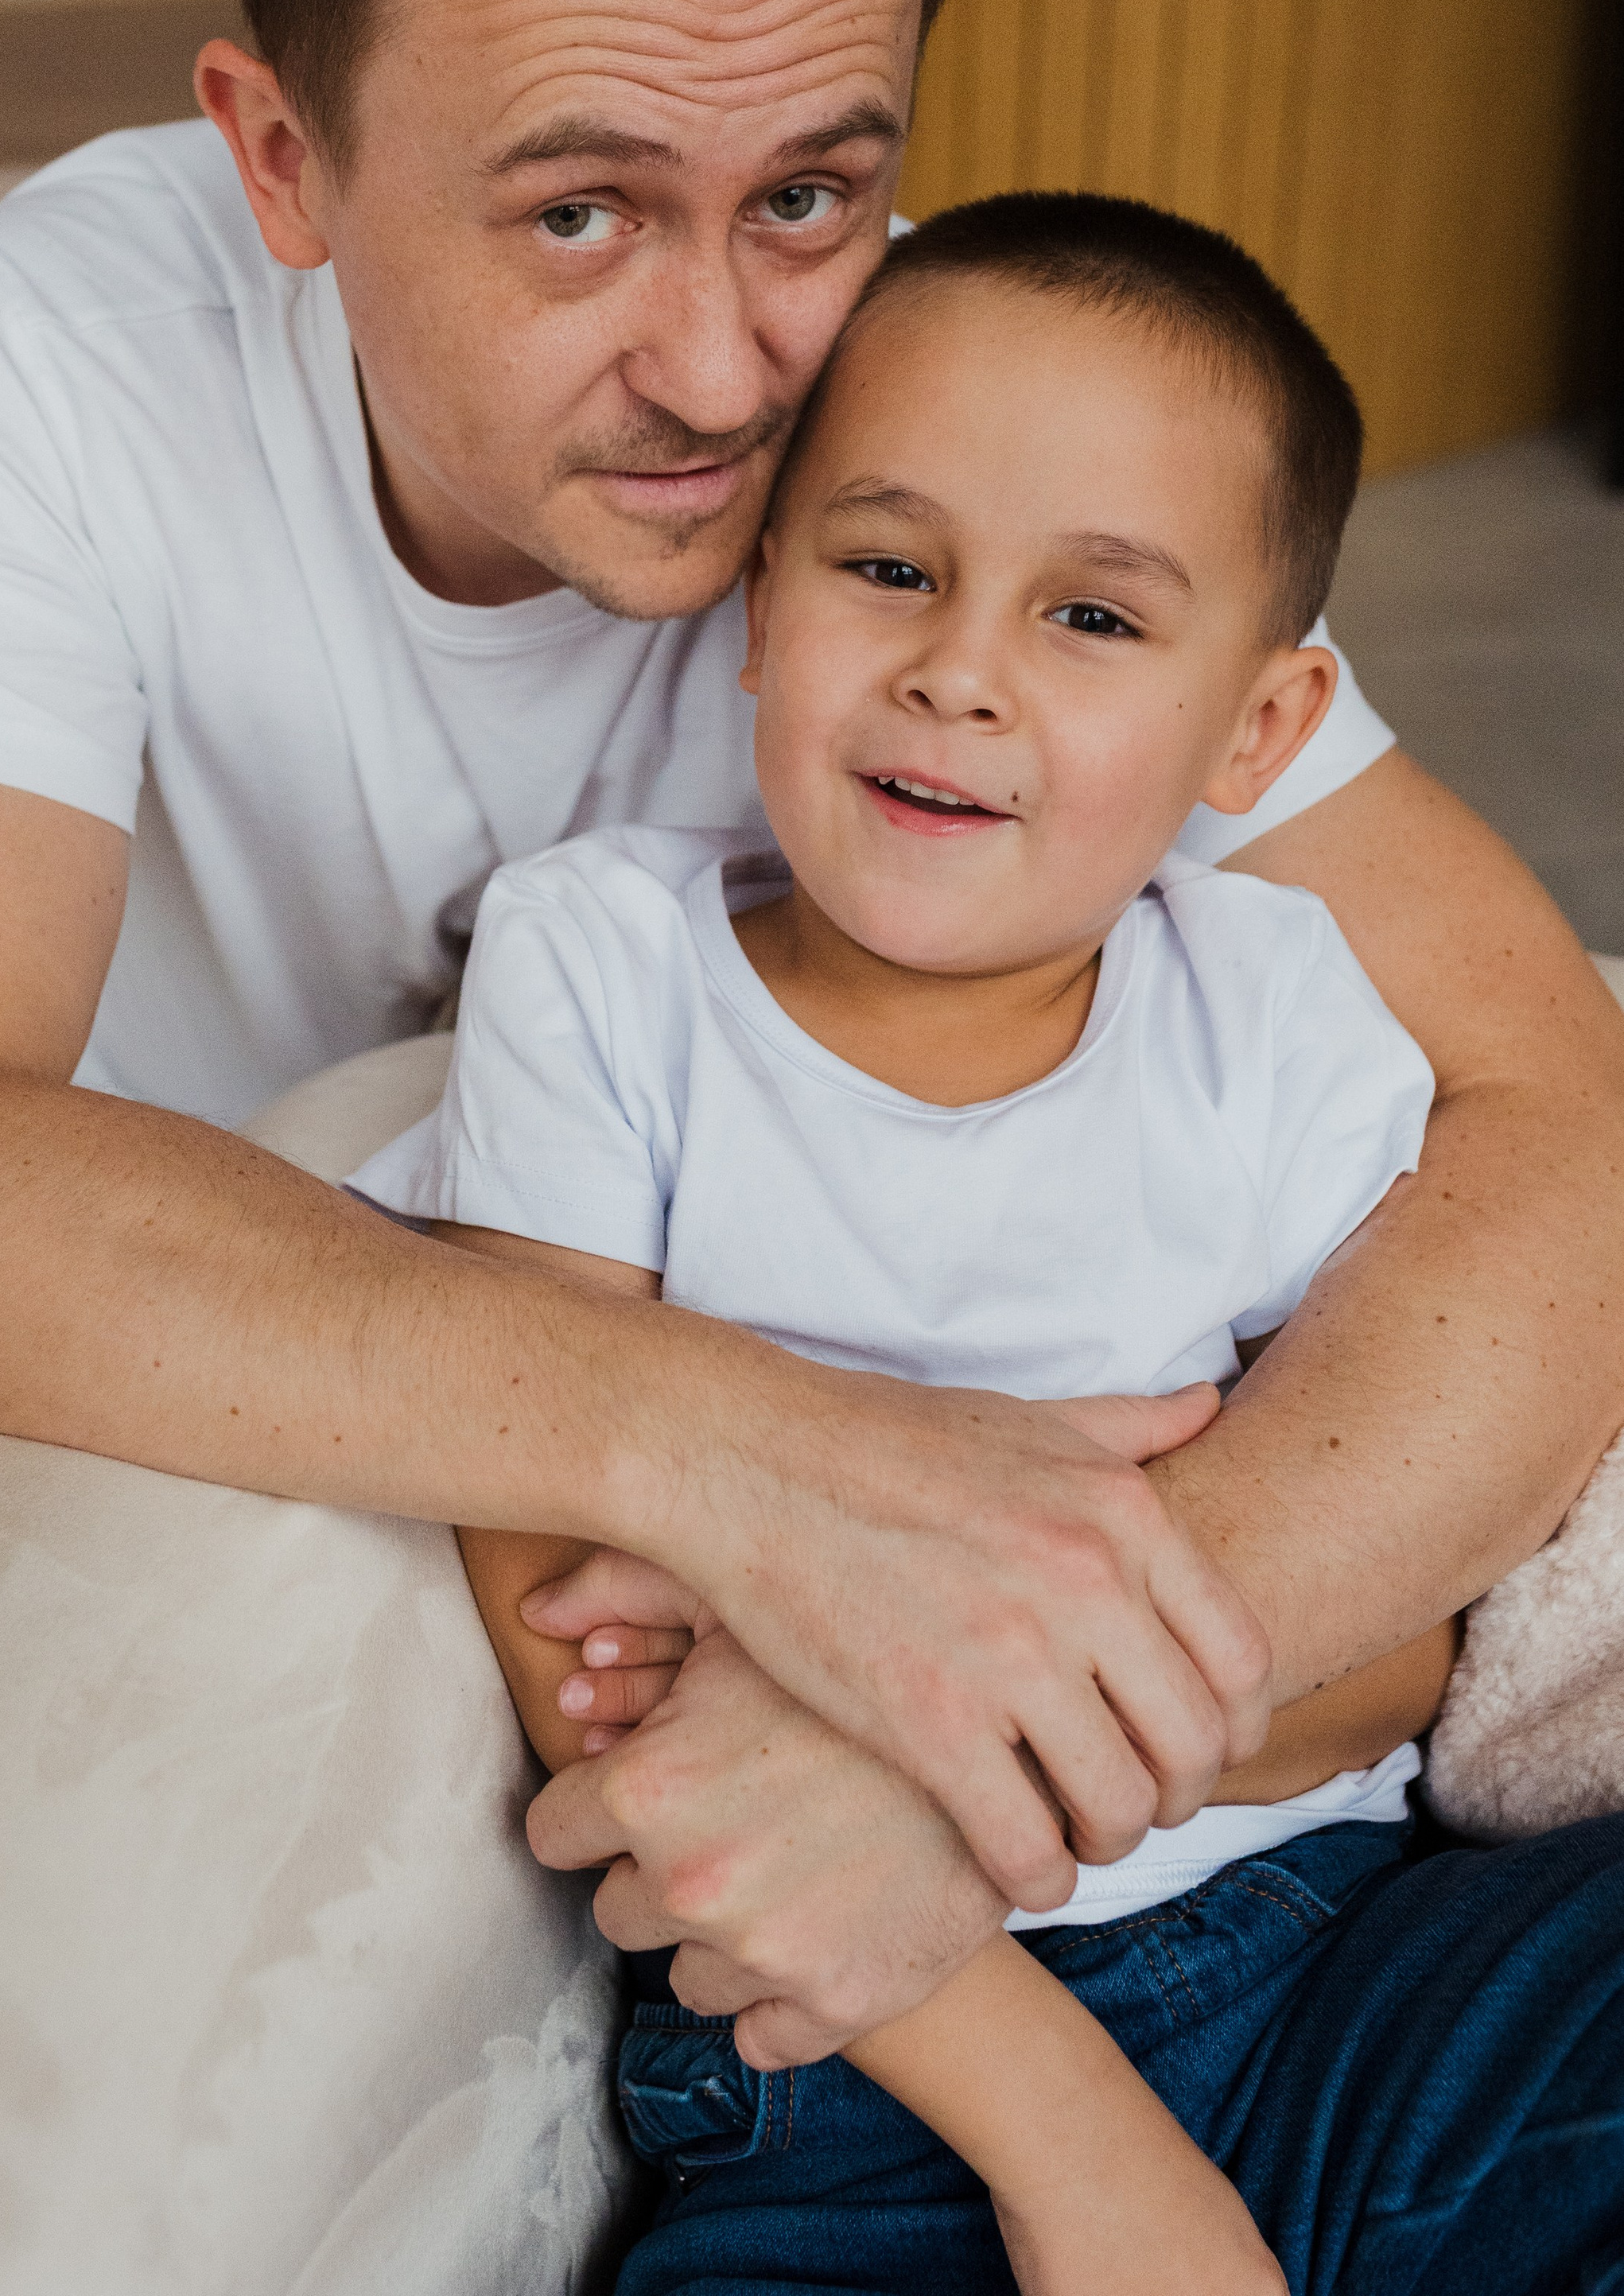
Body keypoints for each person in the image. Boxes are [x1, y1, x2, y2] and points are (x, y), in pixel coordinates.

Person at [0, 0, 1624, 2137]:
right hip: (244, 1315)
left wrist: (1036, 1682)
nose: (736, 365)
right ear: (284, 158)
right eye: (582, 211)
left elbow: (1546, 1090)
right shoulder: (53, 356)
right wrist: (758, 1459)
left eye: (817, 194)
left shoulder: (945, 438)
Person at [352, 191, 1460, 2292]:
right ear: (756, 606)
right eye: (888, 569)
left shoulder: (1281, 1010)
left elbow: (1397, 1642)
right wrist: (1089, 2153)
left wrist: (912, 1731)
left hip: (1327, 1946)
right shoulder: (604, 972)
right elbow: (577, 1631)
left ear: (1257, 734)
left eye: (1097, 620)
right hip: (846, 2044)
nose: (959, 672)